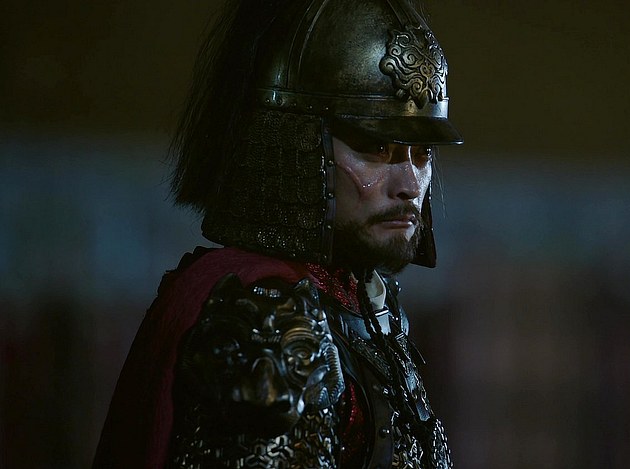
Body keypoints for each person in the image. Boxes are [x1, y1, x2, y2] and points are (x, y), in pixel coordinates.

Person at [93, 0, 462, 467]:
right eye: (376, 147)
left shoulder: (362, 299)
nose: (410, 184)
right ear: (297, 144)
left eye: (422, 152)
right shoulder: (265, 314)